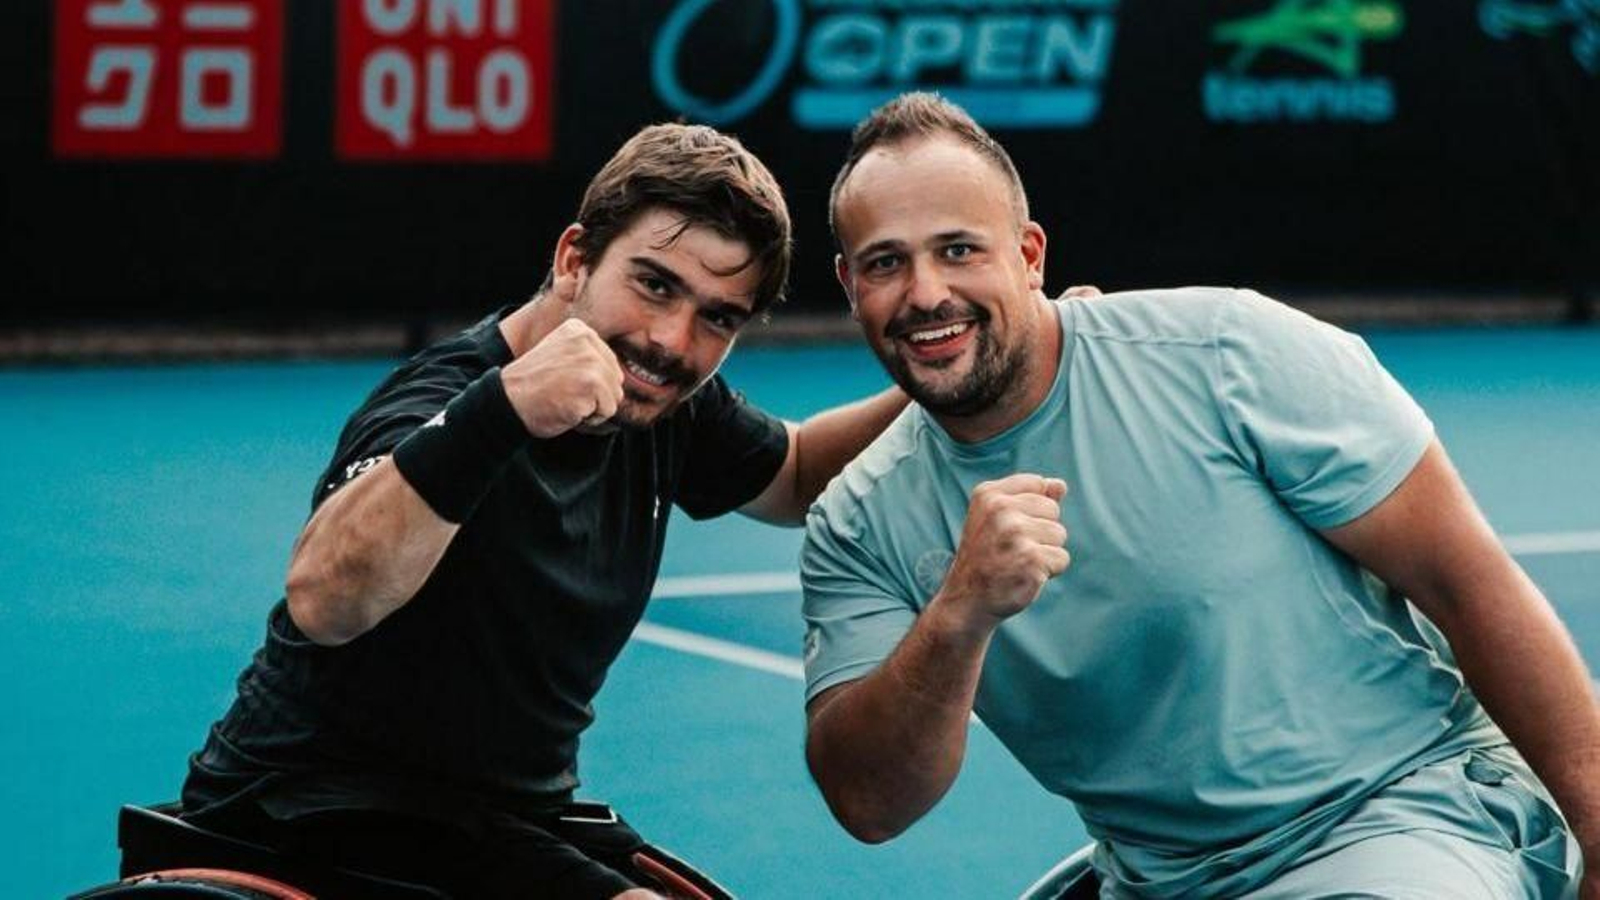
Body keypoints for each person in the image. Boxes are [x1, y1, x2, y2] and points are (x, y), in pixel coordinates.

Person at [800, 92, 1600, 898]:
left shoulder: (1229, 354)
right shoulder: (856, 523)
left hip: (1405, 816)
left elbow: (1466, 581)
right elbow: (870, 804)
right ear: (849, 284)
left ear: (1030, 255)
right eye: (885, 263)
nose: (926, 292)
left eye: (959, 250)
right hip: (1160, 880)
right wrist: (957, 614)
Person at [178, 122, 906, 899]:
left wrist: (951, 385)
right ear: (573, 260)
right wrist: (504, 410)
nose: (671, 340)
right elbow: (325, 601)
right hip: (318, 808)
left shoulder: (666, 404)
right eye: (654, 285)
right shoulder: (441, 399)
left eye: (717, 317)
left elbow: (798, 472)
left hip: (498, 819)